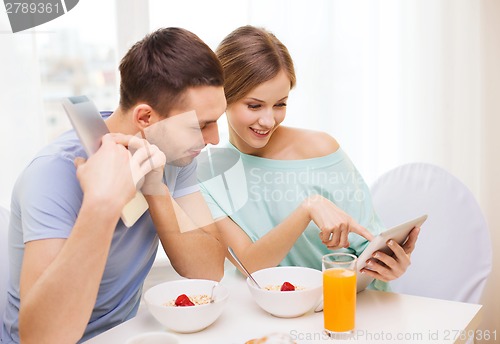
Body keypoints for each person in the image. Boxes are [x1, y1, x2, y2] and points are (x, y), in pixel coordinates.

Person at [2, 27, 227, 344]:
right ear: (146, 118)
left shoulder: (177, 155)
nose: (214, 139)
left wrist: (156, 189)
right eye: (202, 125)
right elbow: (41, 339)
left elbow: (209, 271)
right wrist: (101, 205)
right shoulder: (52, 175)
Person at [198, 25, 420, 289]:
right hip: (270, 315)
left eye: (280, 104)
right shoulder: (208, 175)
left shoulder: (321, 150)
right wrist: (307, 208)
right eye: (254, 105)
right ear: (223, 96)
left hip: (351, 306)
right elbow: (251, 265)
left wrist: (390, 264)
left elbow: (367, 243)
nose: (268, 120)